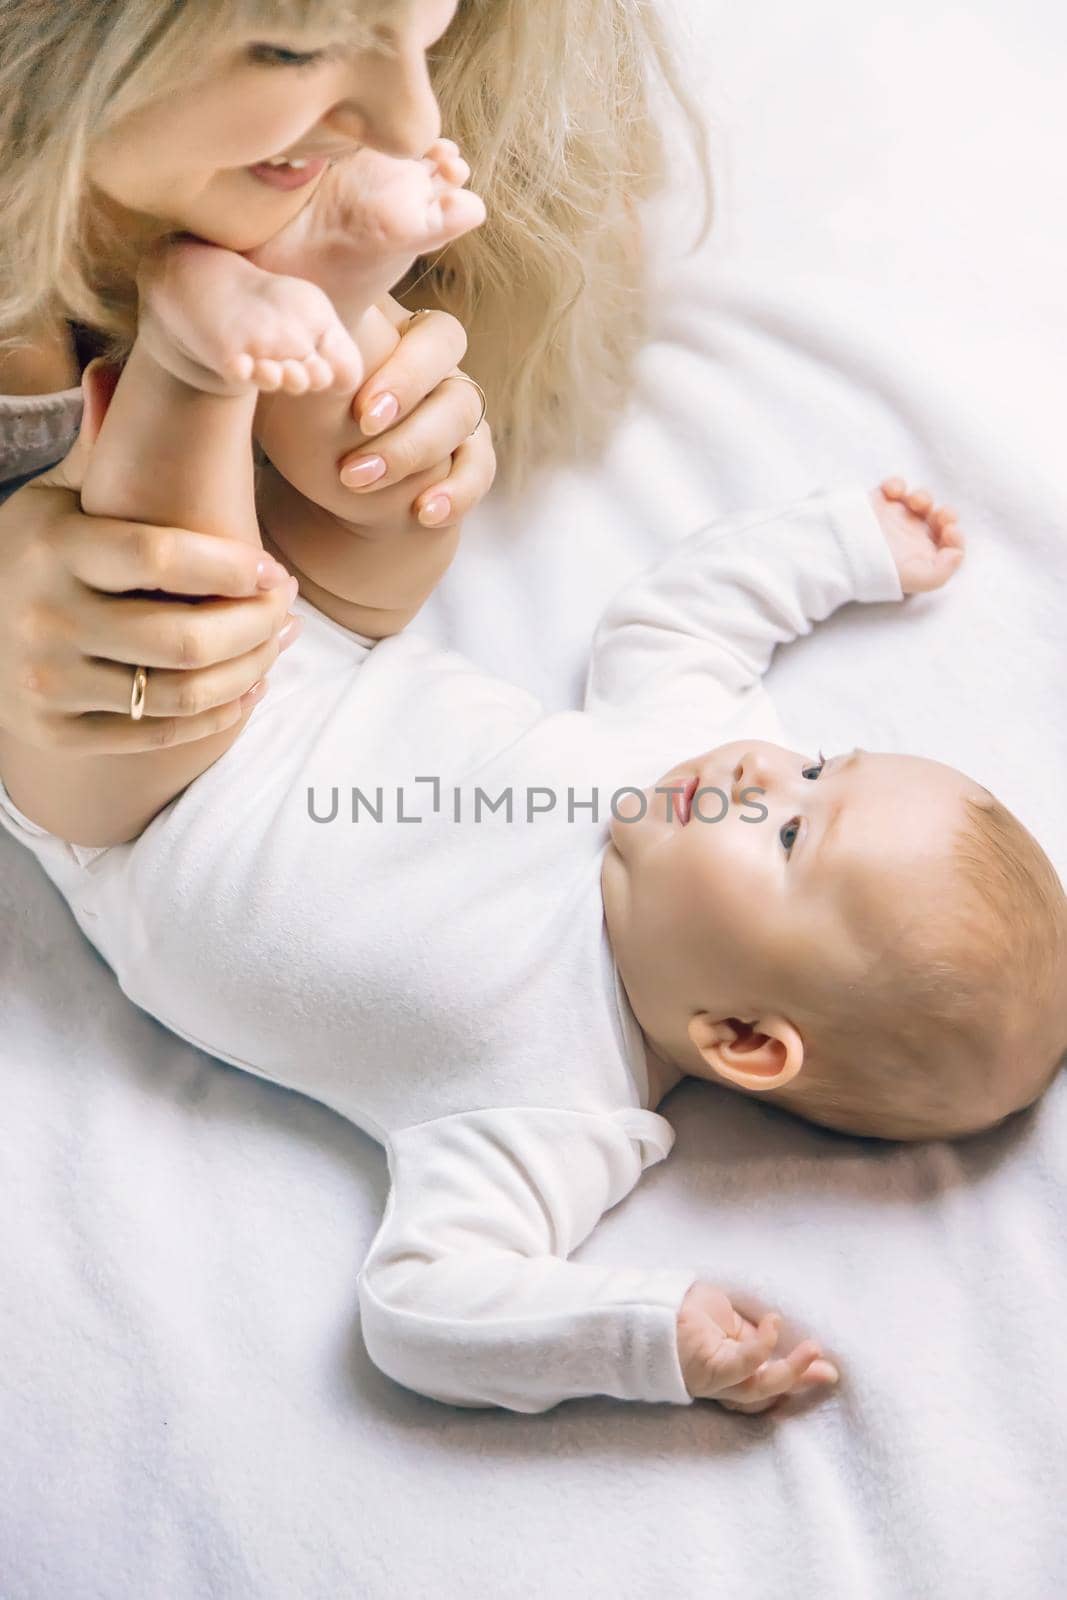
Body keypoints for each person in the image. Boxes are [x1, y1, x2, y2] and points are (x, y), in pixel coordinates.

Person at [3, 362, 1063, 1413]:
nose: (764, 772)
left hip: (140, 811)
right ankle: (309, 297)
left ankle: (192, 360)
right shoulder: (695, 750)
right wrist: (840, 547)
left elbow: (420, 1306)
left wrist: (637, 1335)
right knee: (401, 475)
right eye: (821, 765)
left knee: (163, 566)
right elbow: (679, 623)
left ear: (741, 1035)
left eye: (788, 834)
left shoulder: (556, 1108)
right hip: (312, 631)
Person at [0, 0, 710, 840]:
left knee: (370, 518)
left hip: (256, 672)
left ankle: (238, 344)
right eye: (296, 51)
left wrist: (413, 444)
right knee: (144, 693)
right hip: (142, 771)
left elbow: (343, 597)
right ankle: (207, 360)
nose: (415, 122)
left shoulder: (488, 98)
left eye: (425, 31)